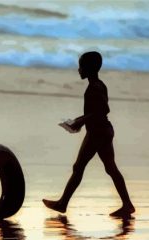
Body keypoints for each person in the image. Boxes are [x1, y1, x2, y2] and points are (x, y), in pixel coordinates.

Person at [43, 51, 135, 218]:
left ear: (89, 68)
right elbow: (98, 111)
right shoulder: (99, 84)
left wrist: (81, 121)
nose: (79, 70)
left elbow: (103, 110)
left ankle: (63, 203)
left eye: (81, 66)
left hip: (97, 133)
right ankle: (127, 205)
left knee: (79, 167)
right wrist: (81, 119)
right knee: (110, 168)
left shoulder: (94, 87)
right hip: (103, 130)